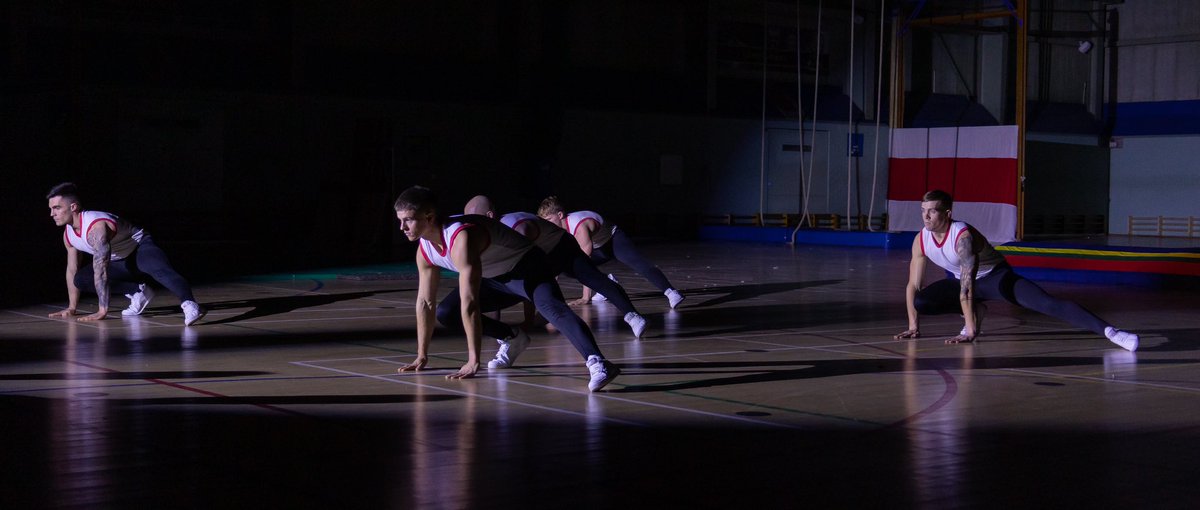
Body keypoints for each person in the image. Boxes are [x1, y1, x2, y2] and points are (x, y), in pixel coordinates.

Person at [393, 186, 620, 392]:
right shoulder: (424, 249)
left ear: (429, 217)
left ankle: (599, 363)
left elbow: (470, 303)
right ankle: (512, 338)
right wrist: (421, 356)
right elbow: (425, 302)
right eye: (400, 221)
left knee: (554, 309)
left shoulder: (461, 236)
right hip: (495, 278)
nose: (402, 227)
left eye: (408, 220)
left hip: (527, 267)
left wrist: (474, 360)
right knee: (447, 312)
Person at [894, 189, 1138, 351]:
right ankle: (978, 310)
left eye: (932, 210)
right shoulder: (921, 239)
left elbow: (967, 288)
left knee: (1047, 303)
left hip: (995, 277)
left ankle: (1112, 332)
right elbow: (913, 286)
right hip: (961, 282)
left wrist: (971, 330)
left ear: (947, 213)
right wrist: (914, 326)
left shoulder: (962, 237)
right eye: (923, 210)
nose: (926, 216)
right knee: (922, 302)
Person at [459, 195, 647, 338]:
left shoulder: (511, 227)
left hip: (559, 246)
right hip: (541, 257)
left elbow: (526, 268)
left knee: (592, 277)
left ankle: (632, 314)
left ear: (489, 215)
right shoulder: (487, 238)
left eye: (474, 219)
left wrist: (529, 320)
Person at [45, 182, 206, 326]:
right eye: (51, 209)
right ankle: (138, 291)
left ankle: (190, 304)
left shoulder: (96, 226)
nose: (52, 214)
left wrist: (103, 310)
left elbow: (100, 268)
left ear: (73, 207)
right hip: (119, 261)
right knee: (81, 279)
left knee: (159, 271)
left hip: (139, 249)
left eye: (57, 208)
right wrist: (72, 307)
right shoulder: (68, 235)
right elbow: (72, 268)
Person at [537, 196, 685, 310]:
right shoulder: (557, 232)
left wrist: (585, 297)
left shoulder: (578, 224)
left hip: (613, 241)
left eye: (549, 219)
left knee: (638, 263)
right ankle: (608, 282)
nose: (547, 223)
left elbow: (585, 261)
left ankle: (671, 292)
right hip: (598, 249)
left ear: (560, 215)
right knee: (565, 266)